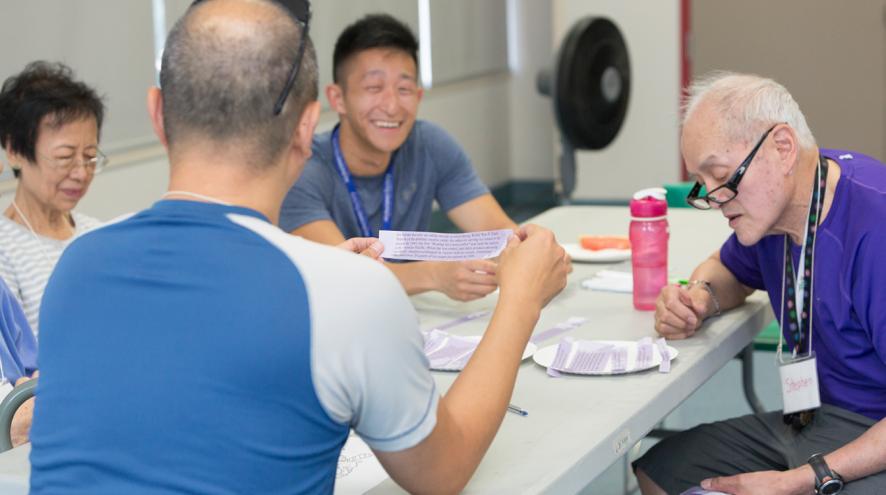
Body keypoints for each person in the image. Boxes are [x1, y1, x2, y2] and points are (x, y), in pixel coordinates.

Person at [29, 1, 569, 493]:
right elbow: (441, 473)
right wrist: (520, 300)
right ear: (308, 126)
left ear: (156, 113)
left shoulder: (78, 264)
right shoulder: (347, 293)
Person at [633, 72, 886, 494]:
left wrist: (802, 481)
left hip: (872, 430)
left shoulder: (874, 227)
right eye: (702, 182)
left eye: (721, 175)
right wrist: (699, 297)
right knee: (663, 470)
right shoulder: (773, 214)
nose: (712, 199)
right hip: (813, 418)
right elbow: (726, 269)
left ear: (783, 148)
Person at [280, 13, 519, 302]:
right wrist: (434, 275)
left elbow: (500, 234)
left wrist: (530, 251)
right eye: (373, 88)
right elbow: (348, 271)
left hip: (414, 314)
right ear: (337, 98)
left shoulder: (429, 145)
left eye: (404, 89)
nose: (392, 106)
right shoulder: (303, 167)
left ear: (418, 97)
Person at [0, 61, 104, 335]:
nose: (81, 173)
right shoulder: (4, 248)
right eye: (64, 157)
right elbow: (15, 362)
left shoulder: (97, 234)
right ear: (14, 151)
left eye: (90, 156)